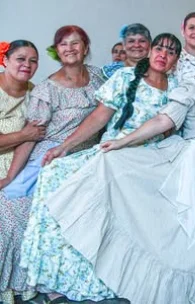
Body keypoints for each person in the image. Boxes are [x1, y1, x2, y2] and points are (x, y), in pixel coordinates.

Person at [45, 45, 195, 304]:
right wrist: (122, 142)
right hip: (190, 165)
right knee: (183, 231)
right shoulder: (192, 91)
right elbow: (163, 122)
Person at [20, 34, 181, 302]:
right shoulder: (125, 77)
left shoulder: (176, 88)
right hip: (113, 152)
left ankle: (125, 276)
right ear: (150, 51)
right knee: (55, 177)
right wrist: (64, 146)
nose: (164, 54)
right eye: (159, 48)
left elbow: (168, 130)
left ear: (176, 60)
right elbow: (98, 117)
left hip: (148, 162)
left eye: (172, 51)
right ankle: (59, 274)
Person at [2, 25, 104, 199]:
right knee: (17, 200)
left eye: (75, 43)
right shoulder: (46, 90)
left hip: (88, 155)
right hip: (53, 154)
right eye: (63, 44)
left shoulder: (99, 77)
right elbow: (32, 135)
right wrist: (11, 177)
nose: (70, 48)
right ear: (57, 50)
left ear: (85, 48)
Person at [0, 40, 43, 304]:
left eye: (33, 60)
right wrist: (23, 134)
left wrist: (12, 176)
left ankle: (19, 283)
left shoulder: (35, 93)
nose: (27, 65)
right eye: (20, 59)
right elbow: (28, 134)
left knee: (30, 214)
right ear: (5, 60)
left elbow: (34, 137)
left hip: (18, 164)